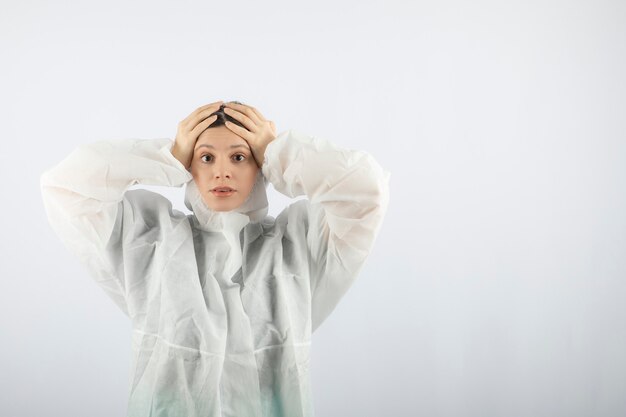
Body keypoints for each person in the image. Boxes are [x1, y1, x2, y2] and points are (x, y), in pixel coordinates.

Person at [40, 100, 391, 417]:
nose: (222, 172)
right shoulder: (151, 240)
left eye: (239, 157)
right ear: (188, 168)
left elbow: (367, 190)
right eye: (205, 157)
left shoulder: (298, 246)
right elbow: (66, 187)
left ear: (261, 167)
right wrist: (167, 156)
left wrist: (279, 151)